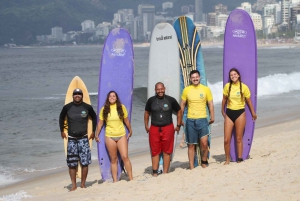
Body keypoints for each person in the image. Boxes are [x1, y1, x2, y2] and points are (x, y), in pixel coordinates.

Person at [59, 88, 97, 191]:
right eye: (75, 94)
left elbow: (94, 117)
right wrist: (62, 130)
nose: (77, 95)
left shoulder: (87, 107)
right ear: (72, 95)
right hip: (71, 139)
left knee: (85, 162)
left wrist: (93, 131)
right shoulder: (67, 107)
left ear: (82, 95)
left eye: (79, 94)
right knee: (72, 163)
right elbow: (61, 117)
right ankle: (74, 185)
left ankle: (83, 184)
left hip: (83, 139)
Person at [144, 82, 182, 176]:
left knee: (167, 150)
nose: (160, 91)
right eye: (158, 89)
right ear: (155, 90)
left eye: (161, 89)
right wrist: (146, 125)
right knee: (155, 150)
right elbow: (146, 113)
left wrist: (178, 125)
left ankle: (165, 172)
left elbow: (179, 110)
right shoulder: (151, 100)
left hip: (167, 127)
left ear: (164, 89)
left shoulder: (170, 100)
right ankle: (155, 172)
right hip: (154, 128)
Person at [221, 68, 257, 165]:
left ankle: (240, 158)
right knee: (226, 139)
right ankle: (227, 159)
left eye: (235, 74)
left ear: (238, 75)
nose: (233, 76)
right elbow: (224, 99)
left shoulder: (244, 87)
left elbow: (248, 101)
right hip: (229, 113)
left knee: (238, 138)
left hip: (240, 113)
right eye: (231, 75)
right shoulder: (227, 86)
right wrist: (222, 110)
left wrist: (253, 113)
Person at [95, 91, 133, 182]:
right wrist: (96, 134)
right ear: (108, 98)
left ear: (116, 98)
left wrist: (130, 130)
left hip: (121, 135)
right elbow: (100, 123)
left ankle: (131, 178)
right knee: (113, 159)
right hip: (109, 136)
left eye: (114, 96)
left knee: (125, 157)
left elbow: (126, 120)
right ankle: (115, 181)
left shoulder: (121, 107)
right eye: (110, 96)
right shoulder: (104, 109)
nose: (112, 97)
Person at [180, 70, 215, 169]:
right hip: (190, 120)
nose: (195, 79)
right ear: (190, 79)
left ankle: (204, 162)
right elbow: (182, 105)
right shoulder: (186, 90)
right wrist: (180, 119)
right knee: (191, 145)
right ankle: (191, 166)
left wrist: (212, 116)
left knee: (204, 143)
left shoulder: (206, 89)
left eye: (197, 77)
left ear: (200, 77)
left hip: (203, 119)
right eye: (193, 77)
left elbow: (210, 104)